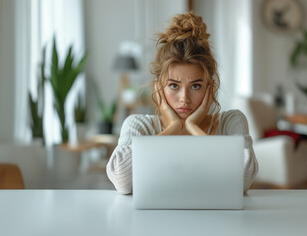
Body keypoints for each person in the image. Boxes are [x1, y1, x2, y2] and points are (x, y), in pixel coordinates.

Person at [106, 12, 258, 195]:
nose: (184, 98)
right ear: (158, 88)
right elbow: (121, 180)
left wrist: (194, 128)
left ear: (210, 87)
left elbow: (244, 180)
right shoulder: (139, 126)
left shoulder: (231, 122)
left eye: (195, 86)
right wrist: (173, 128)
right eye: (173, 86)